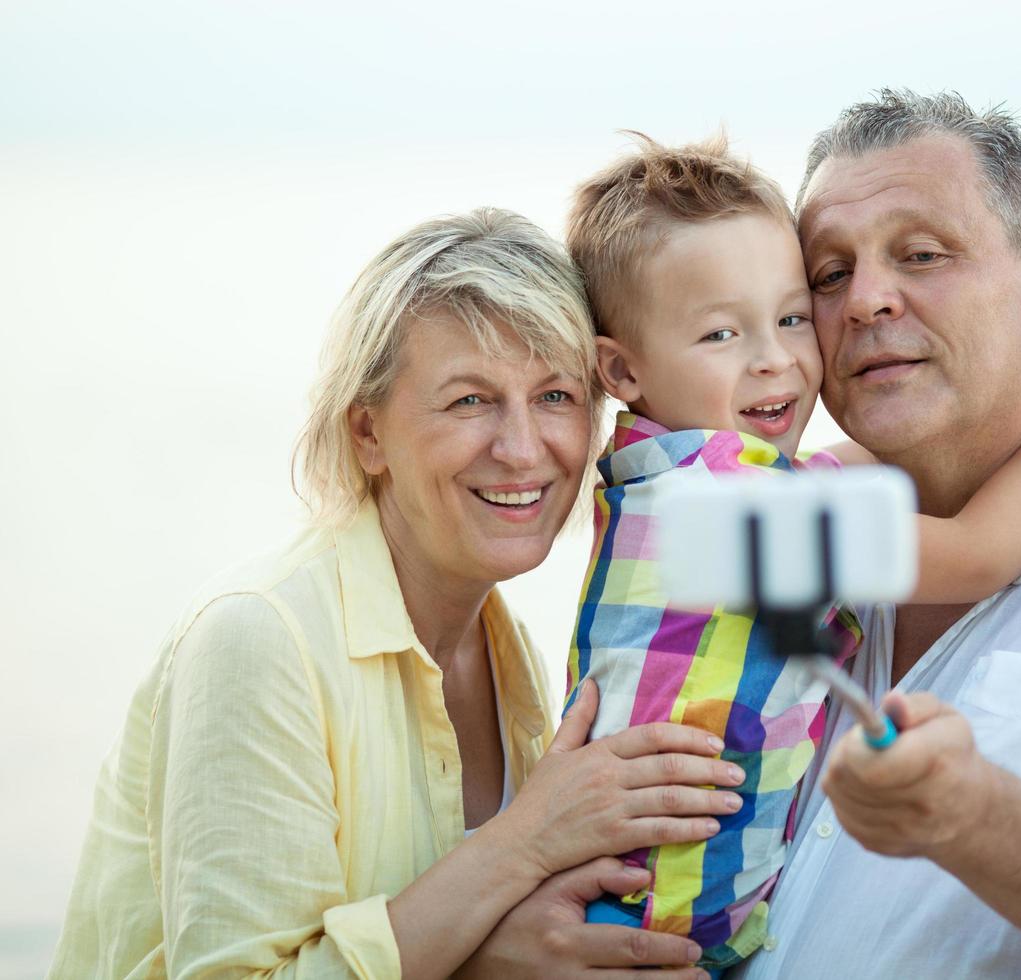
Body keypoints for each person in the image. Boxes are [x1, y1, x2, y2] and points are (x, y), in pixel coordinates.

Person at [470, 94, 1021, 980]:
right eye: (828, 276)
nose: (862, 301)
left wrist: (976, 820)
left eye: (922, 254)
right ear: (622, 368)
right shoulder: (763, 512)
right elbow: (979, 547)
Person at [47, 207, 744, 979]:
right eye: (468, 400)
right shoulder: (257, 639)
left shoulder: (503, 645)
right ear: (367, 434)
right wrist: (528, 842)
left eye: (554, 396)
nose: (522, 449)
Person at [554, 135, 1021, 975]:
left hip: (639, 906)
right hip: (653, 933)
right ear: (622, 371)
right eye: (719, 334)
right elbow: (975, 552)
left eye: (789, 317)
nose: (774, 357)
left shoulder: (656, 484)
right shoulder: (733, 511)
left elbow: (830, 475)